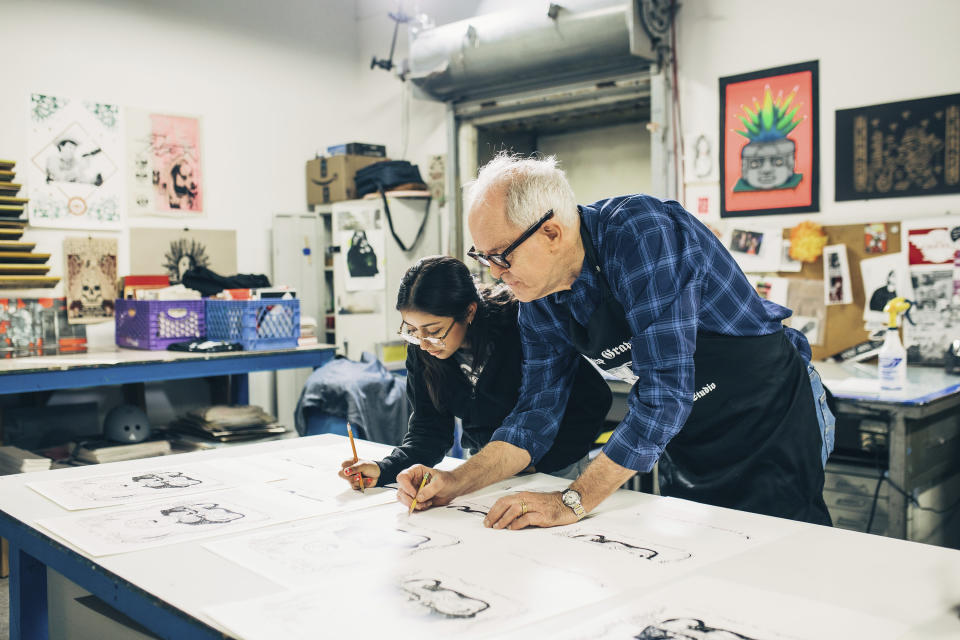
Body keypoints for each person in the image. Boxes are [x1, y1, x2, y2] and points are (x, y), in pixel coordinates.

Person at [395, 153, 835, 529]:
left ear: (551, 232)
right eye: (483, 257)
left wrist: (573, 500)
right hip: (689, 432)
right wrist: (456, 481)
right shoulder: (540, 299)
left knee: (783, 557)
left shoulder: (640, 234)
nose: (494, 273)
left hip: (769, 411)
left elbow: (664, 393)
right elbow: (534, 415)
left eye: (500, 255)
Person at [337, 255, 611, 490]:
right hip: (484, 467)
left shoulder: (523, 327)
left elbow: (593, 400)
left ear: (469, 312)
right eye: (411, 330)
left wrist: (539, 462)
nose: (423, 343)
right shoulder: (423, 350)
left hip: (554, 470)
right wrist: (384, 469)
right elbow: (429, 432)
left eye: (433, 331)